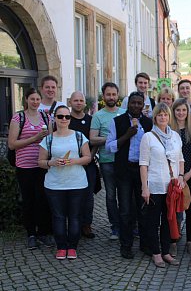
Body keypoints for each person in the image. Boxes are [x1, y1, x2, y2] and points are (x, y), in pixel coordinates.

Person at [38, 105, 91, 260]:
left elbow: (87, 157)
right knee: (58, 216)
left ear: (70, 119)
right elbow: (40, 161)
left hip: (77, 183)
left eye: (67, 117)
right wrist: (51, 163)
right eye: (60, 116)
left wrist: (74, 160)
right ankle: (61, 246)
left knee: (75, 216)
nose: (64, 119)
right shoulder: (48, 139)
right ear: (55, 118)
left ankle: (72, 246)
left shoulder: (79, 136)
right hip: (54, 184)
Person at [106, 92, 153, 258]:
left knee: (144, 209)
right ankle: (125, 245)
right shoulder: (117, 121)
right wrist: (126, 135)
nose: (136, 106)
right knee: (125, 210)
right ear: (128, 104)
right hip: (124, 170)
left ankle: (145, 244)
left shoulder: (148, 123)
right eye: (133, 103)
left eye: (139, 103)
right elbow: (109, 147)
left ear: (143, 105)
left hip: (142, 171)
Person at [8, 88, 53, 250]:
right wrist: (34, 138)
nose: (35, 102)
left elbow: (50, 139)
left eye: (37, 99)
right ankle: (31, 234)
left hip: (41, 165)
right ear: (26, 100)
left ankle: (43, 232)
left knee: (42, 199)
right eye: (32, 99)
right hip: (25, 167)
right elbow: (12, 144)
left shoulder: (45, 116)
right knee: (29, 200)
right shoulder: (18, 117)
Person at [140, 103, 184, 268]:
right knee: (153, 221)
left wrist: (180, 176)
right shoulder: (148, 137)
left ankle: (166, 251)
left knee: (168, 219)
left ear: (169, 117)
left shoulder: (175, 136)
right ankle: (156, 253)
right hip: (155, 184)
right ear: (155, 117)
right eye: (160, 115)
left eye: (165, 115)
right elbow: (143, 164)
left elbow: (180, 159)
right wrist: (145, 187)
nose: (163, 118)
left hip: (171, 186)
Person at [90, 82, 126, 240]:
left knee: (126, 195)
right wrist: (112, 140)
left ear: (117, 96)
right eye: (108, 94)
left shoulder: (125, 113)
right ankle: (115, 227)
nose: (111, 97)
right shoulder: (98, 116)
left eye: (114, 94)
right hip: (107, 161)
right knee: (111, 195)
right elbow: (92, 138)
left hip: (124, 161)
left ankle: (127, 225)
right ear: (103, 96)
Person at [171, 98, 191, 255]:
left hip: (190, 173)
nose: (181, 113)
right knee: (173, 209)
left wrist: (189, 173)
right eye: (178, 110)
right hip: (173, 175)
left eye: (184, 110)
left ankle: (189, 240)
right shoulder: (168, 129)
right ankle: (173, 241)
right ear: (173, 112)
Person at [69, 91, 98, 239]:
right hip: (69, 164)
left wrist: (89, 157)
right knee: (72, 195)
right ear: (70, 102)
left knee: (88, 196)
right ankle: (73, 224)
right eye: (76, 100)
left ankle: (86, 224)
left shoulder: (91, 120)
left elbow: (95, 141)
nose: (79, 103)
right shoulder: (65, 119)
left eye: (81, 100)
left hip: (88, 164)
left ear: (84, 103)